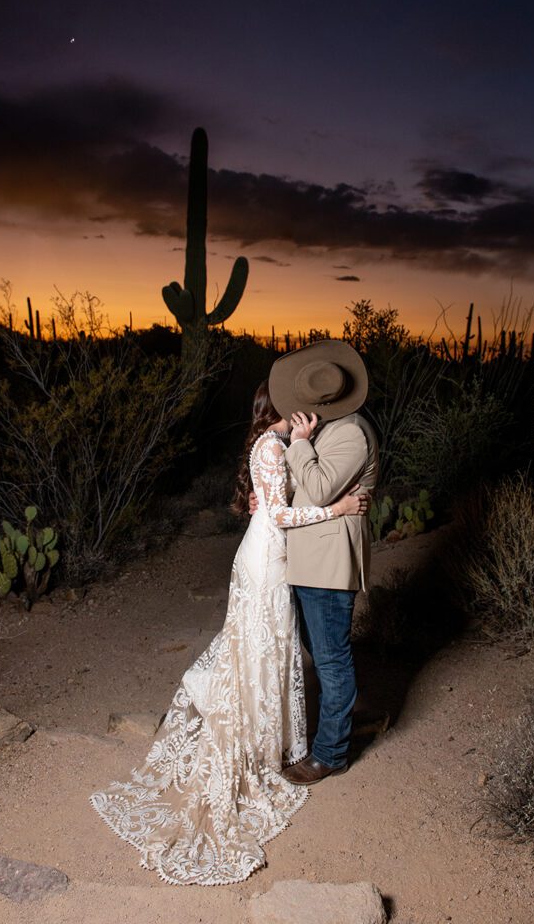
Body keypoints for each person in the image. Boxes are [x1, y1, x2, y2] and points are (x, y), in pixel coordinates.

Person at [89, 379, 367, 886]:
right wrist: (338, 510)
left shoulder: (280, 443)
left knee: (271, 651)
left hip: (276, 559)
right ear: (280, 409)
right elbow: (280, 514)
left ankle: (271, 743)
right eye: (295, 405)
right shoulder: (269, 445)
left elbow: (280, 498)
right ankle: (246, 737)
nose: (306, 410)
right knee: (256, 650)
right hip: (265, 560)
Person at [264, 338, 379, 785]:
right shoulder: (329, 430)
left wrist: (297, 444)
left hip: (329, 562)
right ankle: (339, 726)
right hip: (309, 558)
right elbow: (302, 488)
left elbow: (321, 488)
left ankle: (331, 753)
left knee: (331, 659)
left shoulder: (349, 432)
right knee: (320, 652)